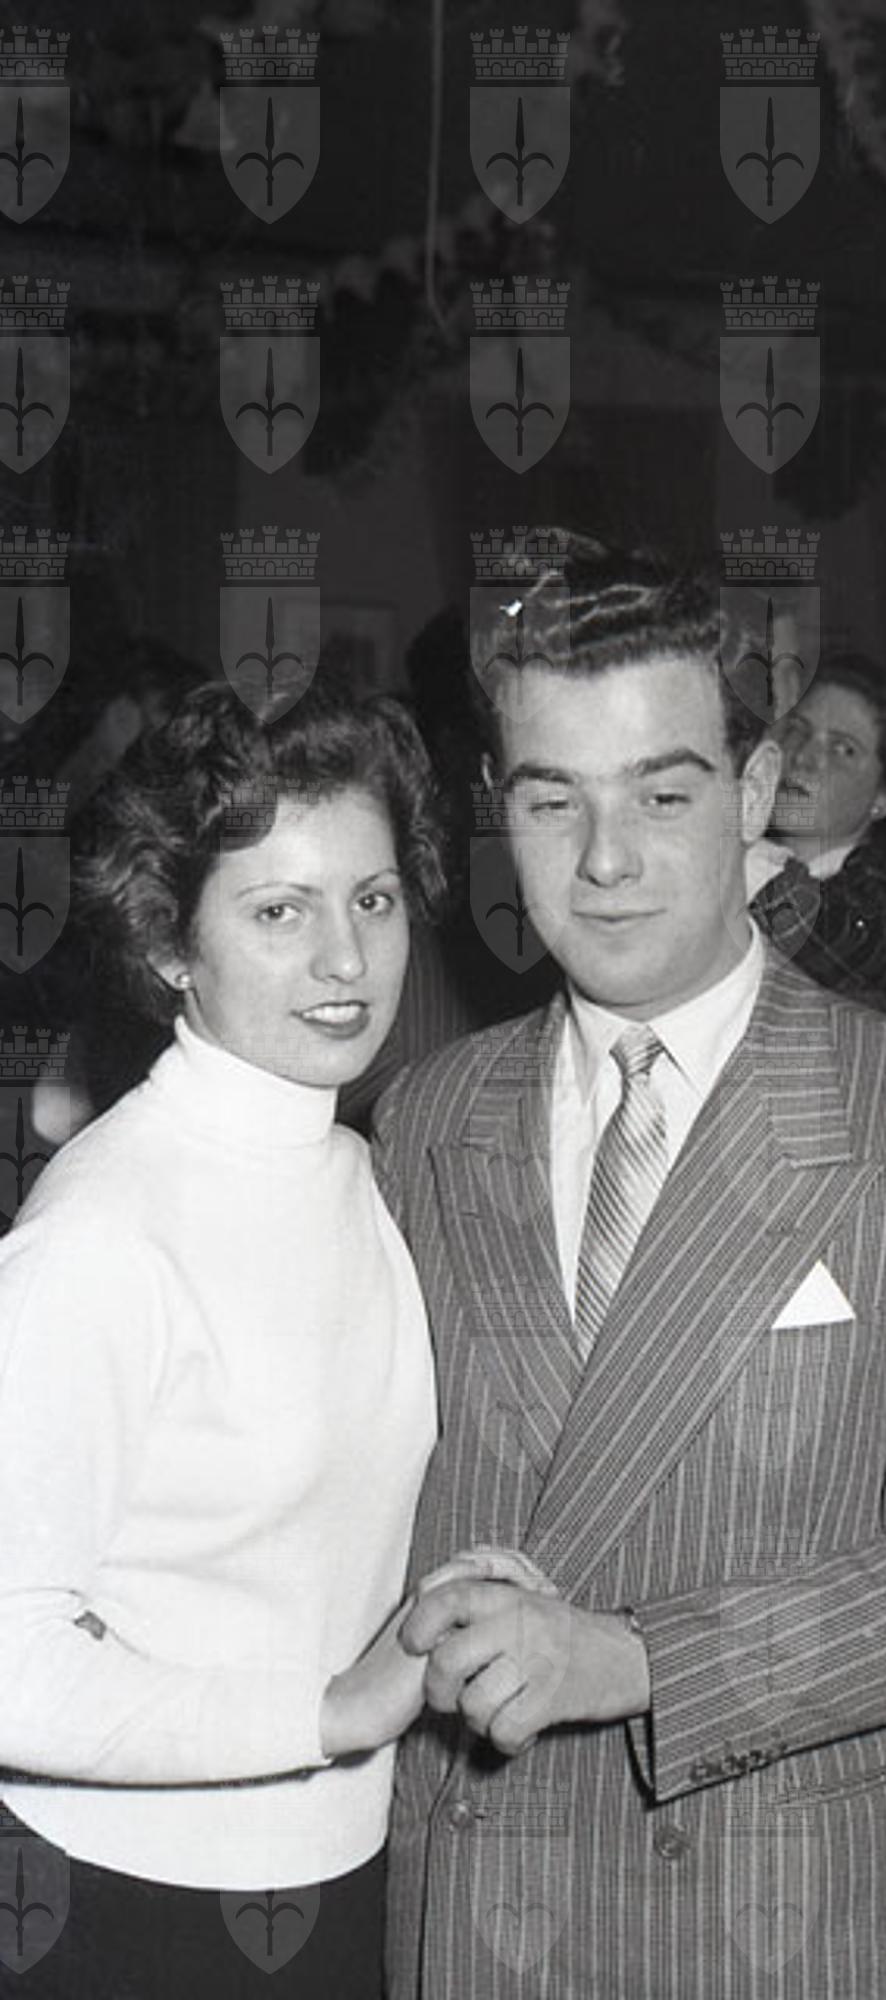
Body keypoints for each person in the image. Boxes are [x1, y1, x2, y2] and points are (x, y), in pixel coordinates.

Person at [374, 548, 886, 1999]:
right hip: (478, 1900)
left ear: (754, 793)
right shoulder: (429, 1114)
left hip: (772, 1915)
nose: (604, 860)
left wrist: (638, 1661)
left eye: (662, 795)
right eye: (551, 800)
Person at [0, 679, 532, 2000]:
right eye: (280, 911)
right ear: (171, 945)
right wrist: (328, 1708)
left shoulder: (354, 1168)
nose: (346, 961)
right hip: (124, 1903)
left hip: (336, 1869)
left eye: (372, 899)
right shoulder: (104, 1232)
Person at [745, 653, 886, 1015]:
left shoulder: (884, 917)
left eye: (843, 749)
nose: (803, 757)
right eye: (797, 730)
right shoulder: (740, 852)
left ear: (884, 798)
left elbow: (812, 940)